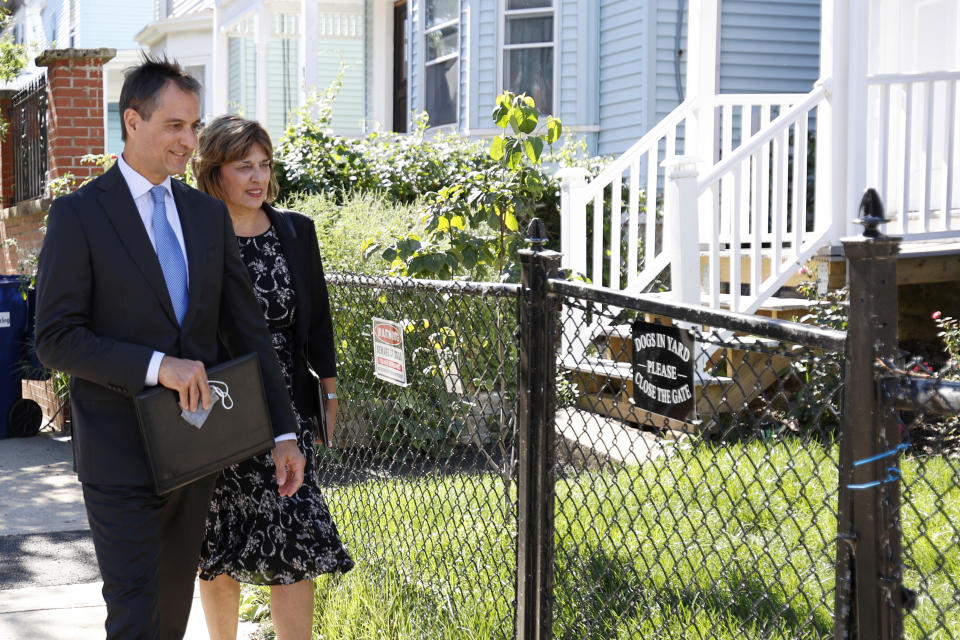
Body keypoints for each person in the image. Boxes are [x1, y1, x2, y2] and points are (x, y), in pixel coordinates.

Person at [33, 58, 306, 640]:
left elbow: (248, 331)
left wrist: (283, 432)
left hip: (195, 450)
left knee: (171, 611)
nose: (190, 140)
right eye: (175, 126)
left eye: (194, 126)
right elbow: (55, 338)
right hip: (117, 452)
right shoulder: (79, 215)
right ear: (132, 120)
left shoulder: (206, 216)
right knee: (135, 611)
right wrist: (160, 367)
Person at [191, 114, 354, 640]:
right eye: (244, 167)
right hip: (221, 403)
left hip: (287, 402)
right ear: (215, 172)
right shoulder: (194, 235)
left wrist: (328, 385)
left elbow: (319, 318)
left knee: (296, 529)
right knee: (217, 538)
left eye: (264, 165)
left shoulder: (295, 230)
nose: (258, 178)